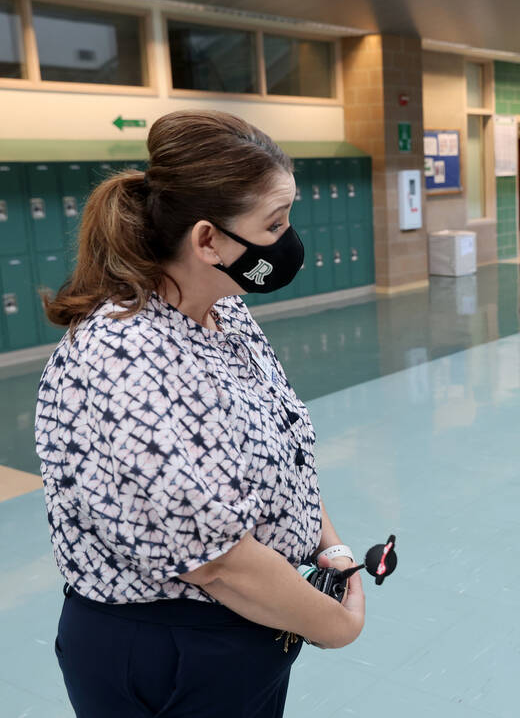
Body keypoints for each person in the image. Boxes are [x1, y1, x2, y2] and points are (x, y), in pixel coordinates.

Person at [35, 109, 365, 717]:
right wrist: (335, 626)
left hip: (250, 629)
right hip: (169, 647)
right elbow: (216, 563)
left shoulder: (224, 311)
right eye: (275, 223)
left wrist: (331, 546)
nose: (288, 240)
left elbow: (283, 441)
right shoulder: (124, 362)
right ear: (208, 240)